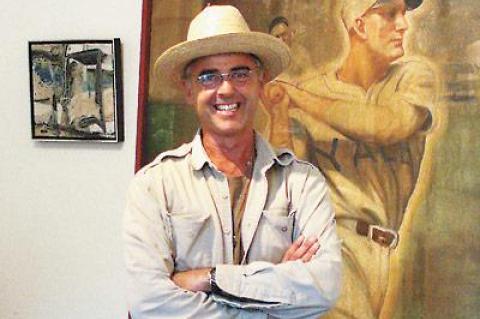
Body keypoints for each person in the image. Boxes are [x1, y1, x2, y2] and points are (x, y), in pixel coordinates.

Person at [124, 5, 342, 319]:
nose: (226, 89)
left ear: (260, 82)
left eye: (240, 73)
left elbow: (324, 287)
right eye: (208, 76)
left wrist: (210, 278)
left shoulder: (303, 183)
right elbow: (149, 303)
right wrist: (274, 289)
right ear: (189, 90)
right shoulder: (154, 185)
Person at [261, 0, 442, 318]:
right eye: (389, 14)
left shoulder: (413, 77)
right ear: (359, 24)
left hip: (379, 251)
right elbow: (284, 183)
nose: (403, 24)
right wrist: (279, 113)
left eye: (403, 14)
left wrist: (296, 97)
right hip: (328, 242)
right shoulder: (316, 89)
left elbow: (388, 125)